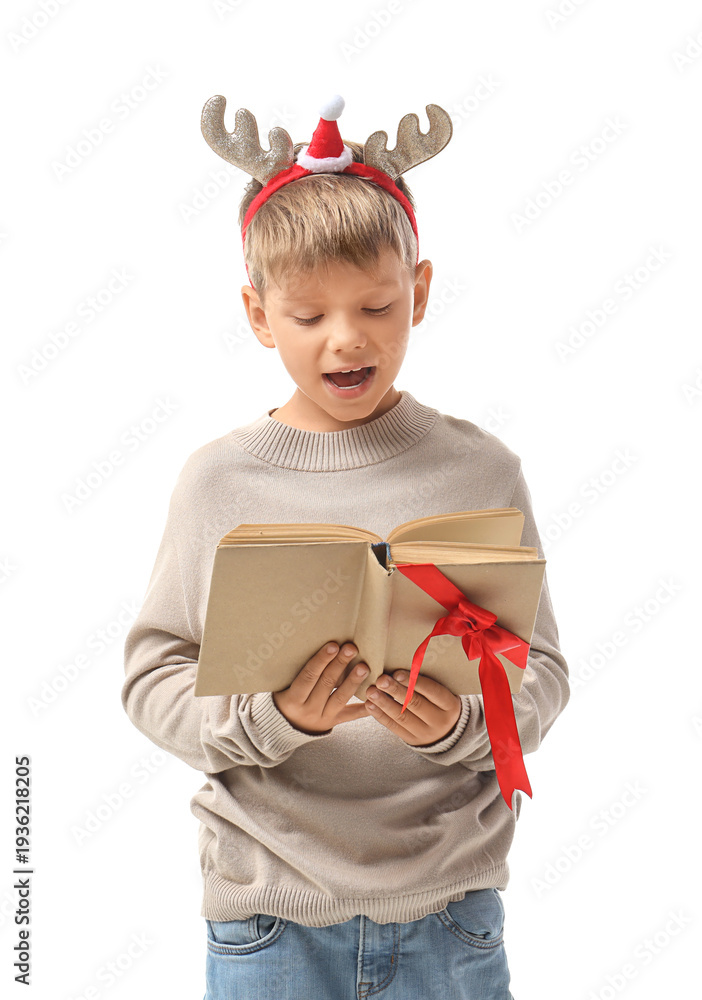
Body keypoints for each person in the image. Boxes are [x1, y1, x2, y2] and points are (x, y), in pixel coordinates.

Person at [121, 94, 570, 1000]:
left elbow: (542, 673)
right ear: (258, 314)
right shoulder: (217, 483)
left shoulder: (482, 470)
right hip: (270, 919)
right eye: (307, 316)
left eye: (376, 305)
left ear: (421, 291)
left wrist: (460, 727)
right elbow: (152, 677)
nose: (347, 339)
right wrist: (272, 719)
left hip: (450, 910)